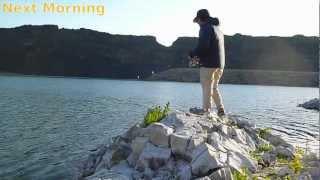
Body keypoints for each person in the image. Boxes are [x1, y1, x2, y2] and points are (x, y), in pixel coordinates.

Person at [189, 9, 226, 117]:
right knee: (213, 87)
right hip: (220, 64)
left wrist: (192, 54)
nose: (198, 24)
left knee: (206, 86)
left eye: (198, 21)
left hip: (209, 64)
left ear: (200, 19)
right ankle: (220, 109)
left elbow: (203, 46)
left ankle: (206, 111)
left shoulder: (205, 28)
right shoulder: (218, 29)